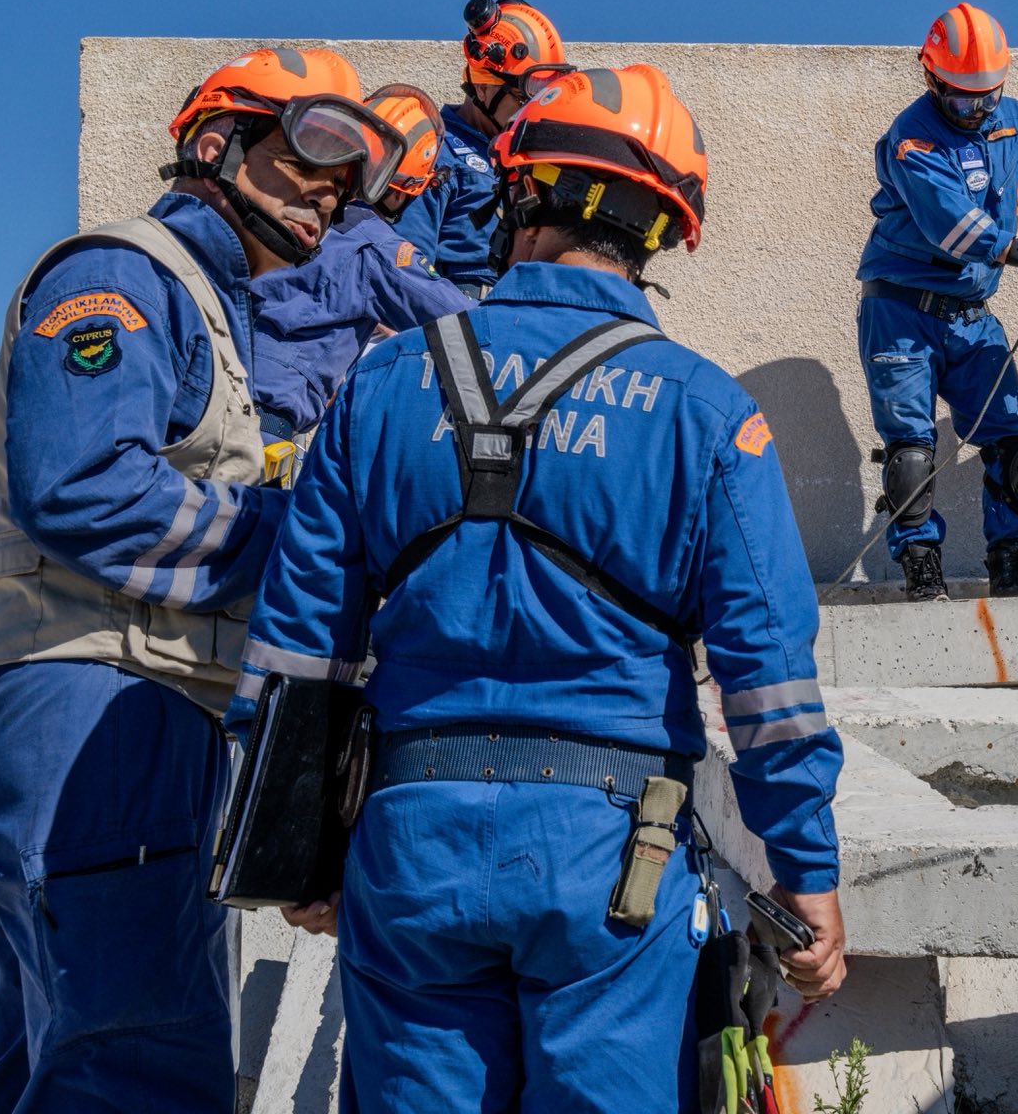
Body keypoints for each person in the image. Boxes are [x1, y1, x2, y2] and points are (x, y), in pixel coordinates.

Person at [229, 64, 847, 1109]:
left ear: (519, 196)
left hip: (407, 840)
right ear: (660, 235)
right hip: (613, 854)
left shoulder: (380, 383)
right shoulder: (706, 411)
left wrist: (295, 845)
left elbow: (297, 640)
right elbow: (767, 673)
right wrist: (806, 870)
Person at [0, 46, 401, 1111]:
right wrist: (305, 537)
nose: (336, 190)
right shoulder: (121, 276)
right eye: (317, 148)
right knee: (140, 1072)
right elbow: (86, 489)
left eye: (359, 177)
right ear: (215, 142)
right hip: (97, 714)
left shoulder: (206, 306)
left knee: (35, 1072)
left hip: (100, 721)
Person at [856, 2, 1018, 600]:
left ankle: (1013, 569)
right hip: (901, 310)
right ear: (932, 78)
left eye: (989, 96)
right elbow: (952, 226)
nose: (978, 109)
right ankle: (922, 574)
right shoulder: (911, 138)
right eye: (965, 99)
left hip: (972, 317)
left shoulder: (1017, 122)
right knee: (912, 452)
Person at [249, 82, 471, 437]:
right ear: (406, 190)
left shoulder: (282, 212)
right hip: (261, 427)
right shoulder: (373, 247)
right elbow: (463, 319)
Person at [391, 0, 572, 294]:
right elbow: (404, 276)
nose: (536, 110)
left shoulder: (527, 161)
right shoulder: (434, 150)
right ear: (485, 88)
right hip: (458, 317)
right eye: (525, 98)